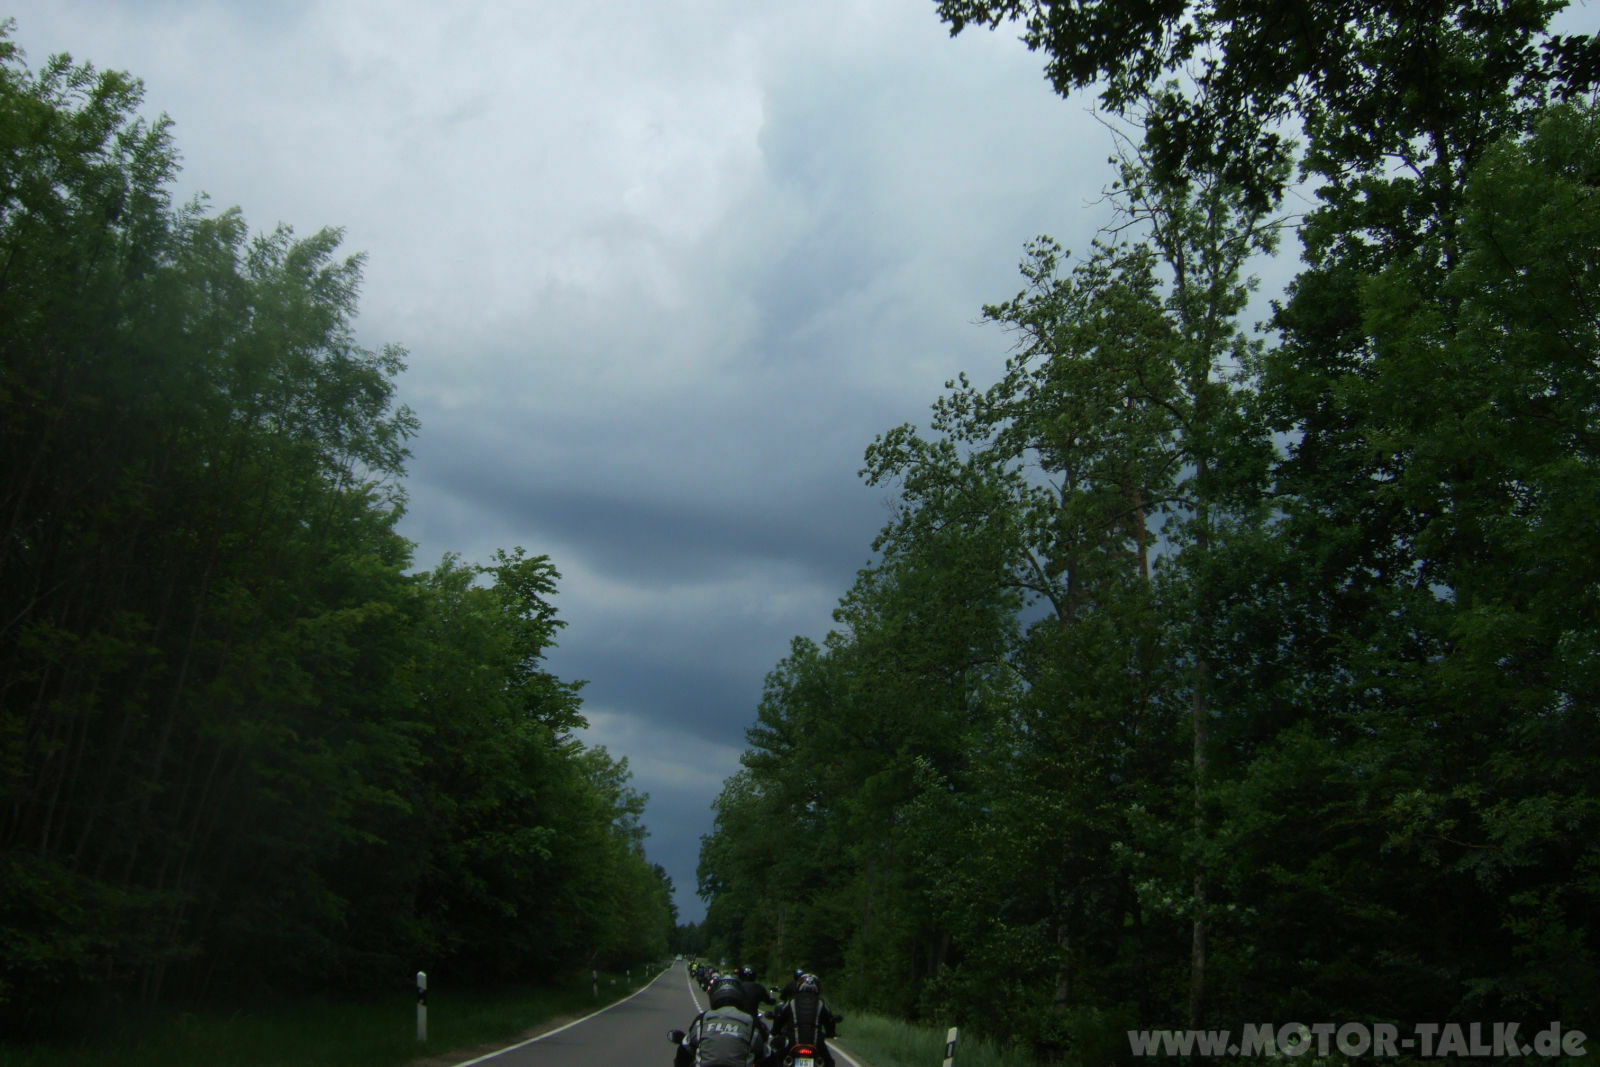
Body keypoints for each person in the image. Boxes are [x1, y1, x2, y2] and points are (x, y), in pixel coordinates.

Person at [675, 975, 771, 1067]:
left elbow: (684, 1049)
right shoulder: (751, 1022)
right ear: (741, 996)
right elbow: (766, 1054)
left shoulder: (702, 1019)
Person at [771, 973, 837, 1067]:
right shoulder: (821, 1004)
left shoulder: (791, 1002)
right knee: (829, 1062)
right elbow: (829, 1021)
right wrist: (830, 1033)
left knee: (777, 1059)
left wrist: (775, 1031)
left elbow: (780, 1018)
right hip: (816, 1044)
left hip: (793, 1042)